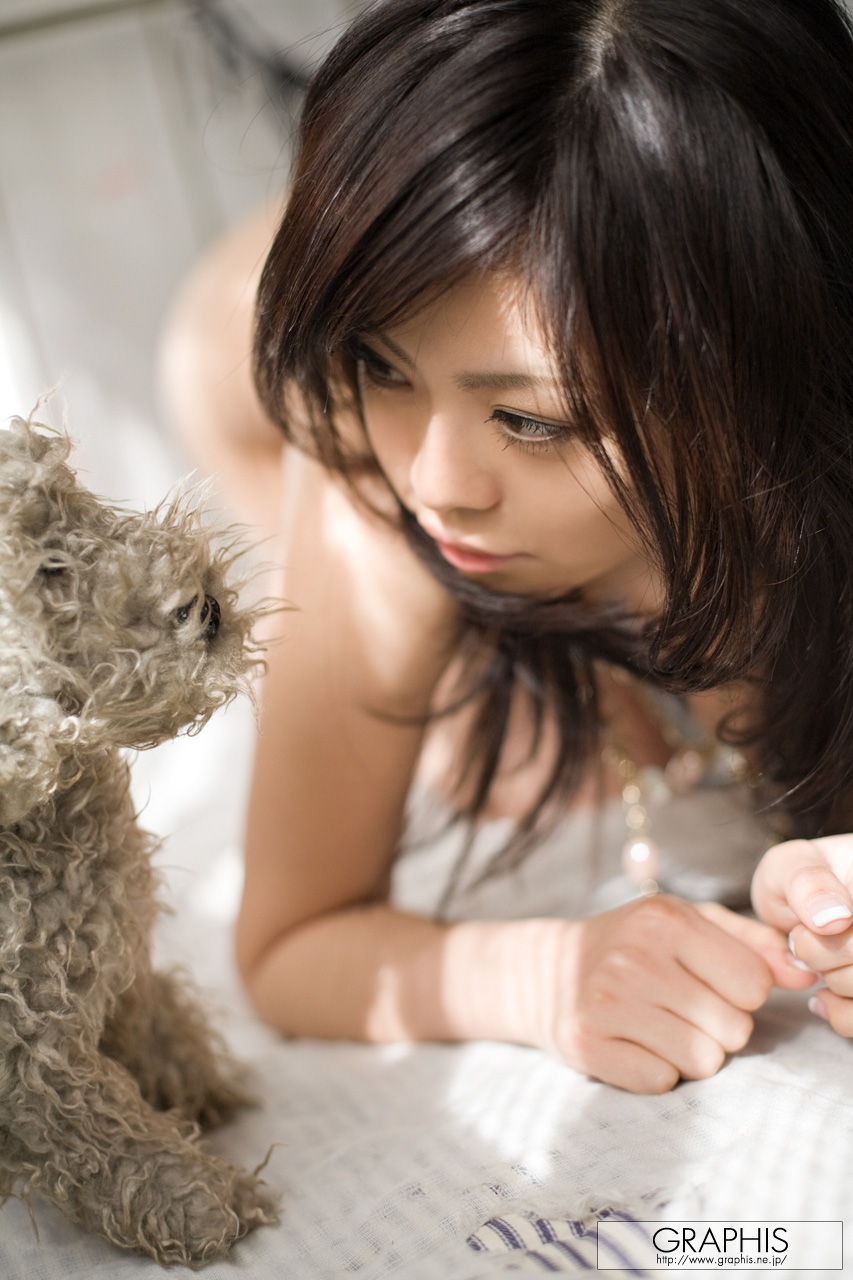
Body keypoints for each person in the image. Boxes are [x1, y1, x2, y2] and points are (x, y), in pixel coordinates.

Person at [159, 0, 853, 1094]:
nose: (434, 486)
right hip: (239, 357)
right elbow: (290, 939)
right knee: (500, 747)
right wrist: (540, 975)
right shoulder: (366, 468)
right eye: (384, 366)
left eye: (531, 420)